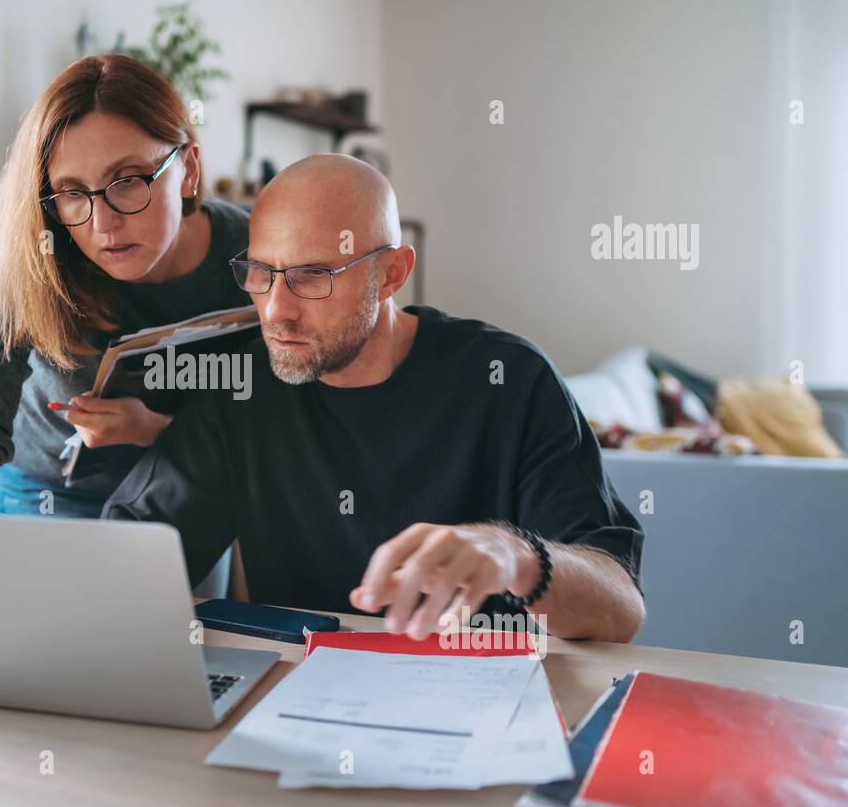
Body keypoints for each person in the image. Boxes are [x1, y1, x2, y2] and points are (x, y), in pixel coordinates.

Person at [103, 154, 646, 642]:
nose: (276, 310)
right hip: (297, 695)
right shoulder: (242, 385)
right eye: (262, 273)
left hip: (483, 695)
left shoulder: (509, 380)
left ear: (391, 274)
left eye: (313, 276)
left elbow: (620, 608)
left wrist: (519, 558)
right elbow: (126, 564)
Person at [0, 54, 250, 516]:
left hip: (196, 488)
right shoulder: (32, 253)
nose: (103, 222)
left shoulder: (258, 257)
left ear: (188, 170)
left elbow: (291, 422)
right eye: (73, 193)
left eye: (129, 180)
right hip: (49, 490)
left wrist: (158, 430)